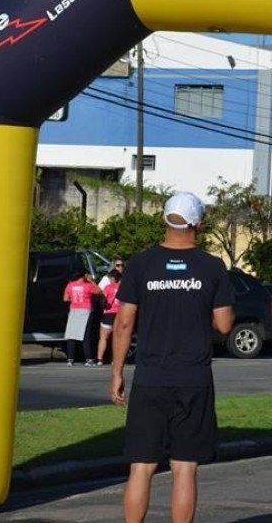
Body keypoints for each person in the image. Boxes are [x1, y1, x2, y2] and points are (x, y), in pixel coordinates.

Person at [111, 191, 234, 523]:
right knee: (184, 467)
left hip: (150, 377)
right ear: (198, 224)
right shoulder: (212, 267)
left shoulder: (140, 265)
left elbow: (124, 322)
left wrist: (117, 372)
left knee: (141, 465)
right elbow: (224, 325)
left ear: (164, 220)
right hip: (193, 378)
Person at [63, 270, 102, 366]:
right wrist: (92, 281)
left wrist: (74, 299)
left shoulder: (70, 285)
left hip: (74, 310)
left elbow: (65, 299)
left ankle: (70, 359)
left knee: (72, 335)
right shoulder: (88, 285)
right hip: (85, 311)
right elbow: (99, 292)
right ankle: (89, 359)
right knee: (85, 335)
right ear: (84, 275)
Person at [96, 269, 123, 365]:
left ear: (112, 278)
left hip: (109, 313)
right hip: (120, 314)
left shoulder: (108, 287)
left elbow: (102, 299)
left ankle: (100, 359)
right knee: (118, 339)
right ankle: (115, 359)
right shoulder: (123, 287)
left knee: (103, 338)